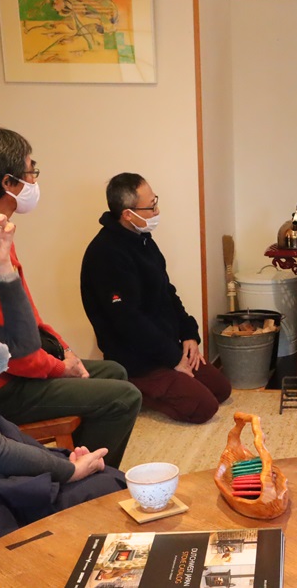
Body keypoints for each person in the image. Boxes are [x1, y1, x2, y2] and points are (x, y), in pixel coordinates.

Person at [0, 180, 125, 566]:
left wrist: (2, 264)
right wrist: (67, 469)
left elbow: (24, 345)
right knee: (107, 486)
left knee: (98, 477)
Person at [0, 125, 142, 469]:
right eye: (31, 172)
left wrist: (65, 350)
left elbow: (28, 317)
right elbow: (15, 353)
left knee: (114, 372)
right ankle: (83, 478)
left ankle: (77, 464)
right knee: (124, 397)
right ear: (8, 182)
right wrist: (59, 368)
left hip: (16, 367)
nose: (34, 180)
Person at [80, 173, 231, 423]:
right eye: (151, 206)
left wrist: (189, 334)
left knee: (221, 389)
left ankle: (165, 379)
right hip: (136, 359)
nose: (157, 211)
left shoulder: (143, 241)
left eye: (155, 202)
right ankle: (132, 389)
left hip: (164, 347)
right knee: (204, 407)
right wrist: (173, 359)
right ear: (128, 214)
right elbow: (128, 321)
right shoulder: (105, 254)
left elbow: (167, 291)